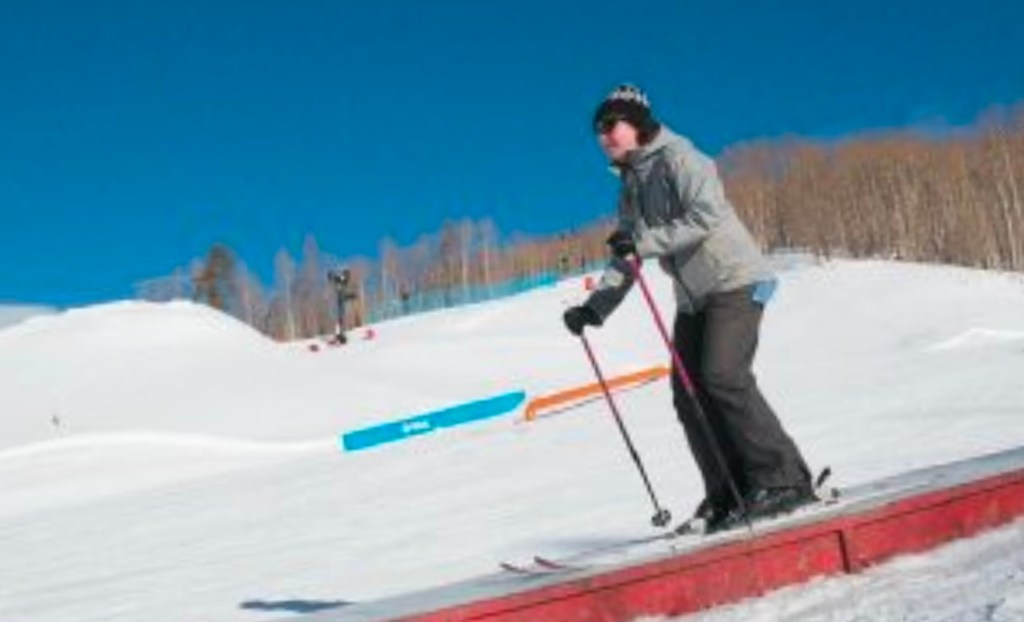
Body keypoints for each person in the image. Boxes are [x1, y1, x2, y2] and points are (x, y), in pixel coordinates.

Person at [562, 84, 814, 532]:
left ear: (636, 124)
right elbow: (627, 254)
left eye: (611, 124)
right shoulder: (631, 185)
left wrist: (641, 242)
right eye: (598, 130)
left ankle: (784, 479)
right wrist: (595, 308)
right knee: (688, 395)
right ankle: (729, 492)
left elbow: (705, 216)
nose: (604, 136)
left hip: (735, 281)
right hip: (694, 298)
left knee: (723, 376)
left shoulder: (682, 158)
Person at [328, 268, 358, 344]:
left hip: (340, 300)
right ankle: (339, 335)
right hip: (338, 301)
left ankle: (340, 335)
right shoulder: (341, 279)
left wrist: (352, 296)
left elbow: (344, 294)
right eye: (348, 276)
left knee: (341, 317)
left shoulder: (343, 282)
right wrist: (332, 276)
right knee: (339, 317)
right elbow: (336, 279)